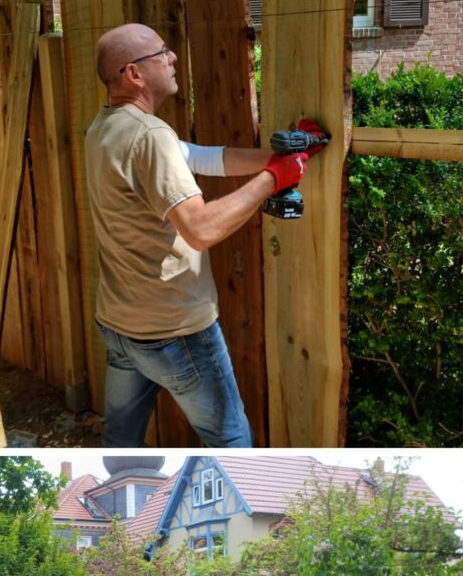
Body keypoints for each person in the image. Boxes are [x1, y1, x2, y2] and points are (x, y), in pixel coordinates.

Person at [86, 23, 325, 447]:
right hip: (175, 331)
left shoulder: (106, 128)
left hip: (120, 325)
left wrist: (289, 156)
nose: (172, 57)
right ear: (133, 74)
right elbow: (201, 229)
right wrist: (274, 178)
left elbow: (200, 158)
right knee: (231, 442)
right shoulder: (149, 135)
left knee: (120, 437)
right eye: (162, 52)